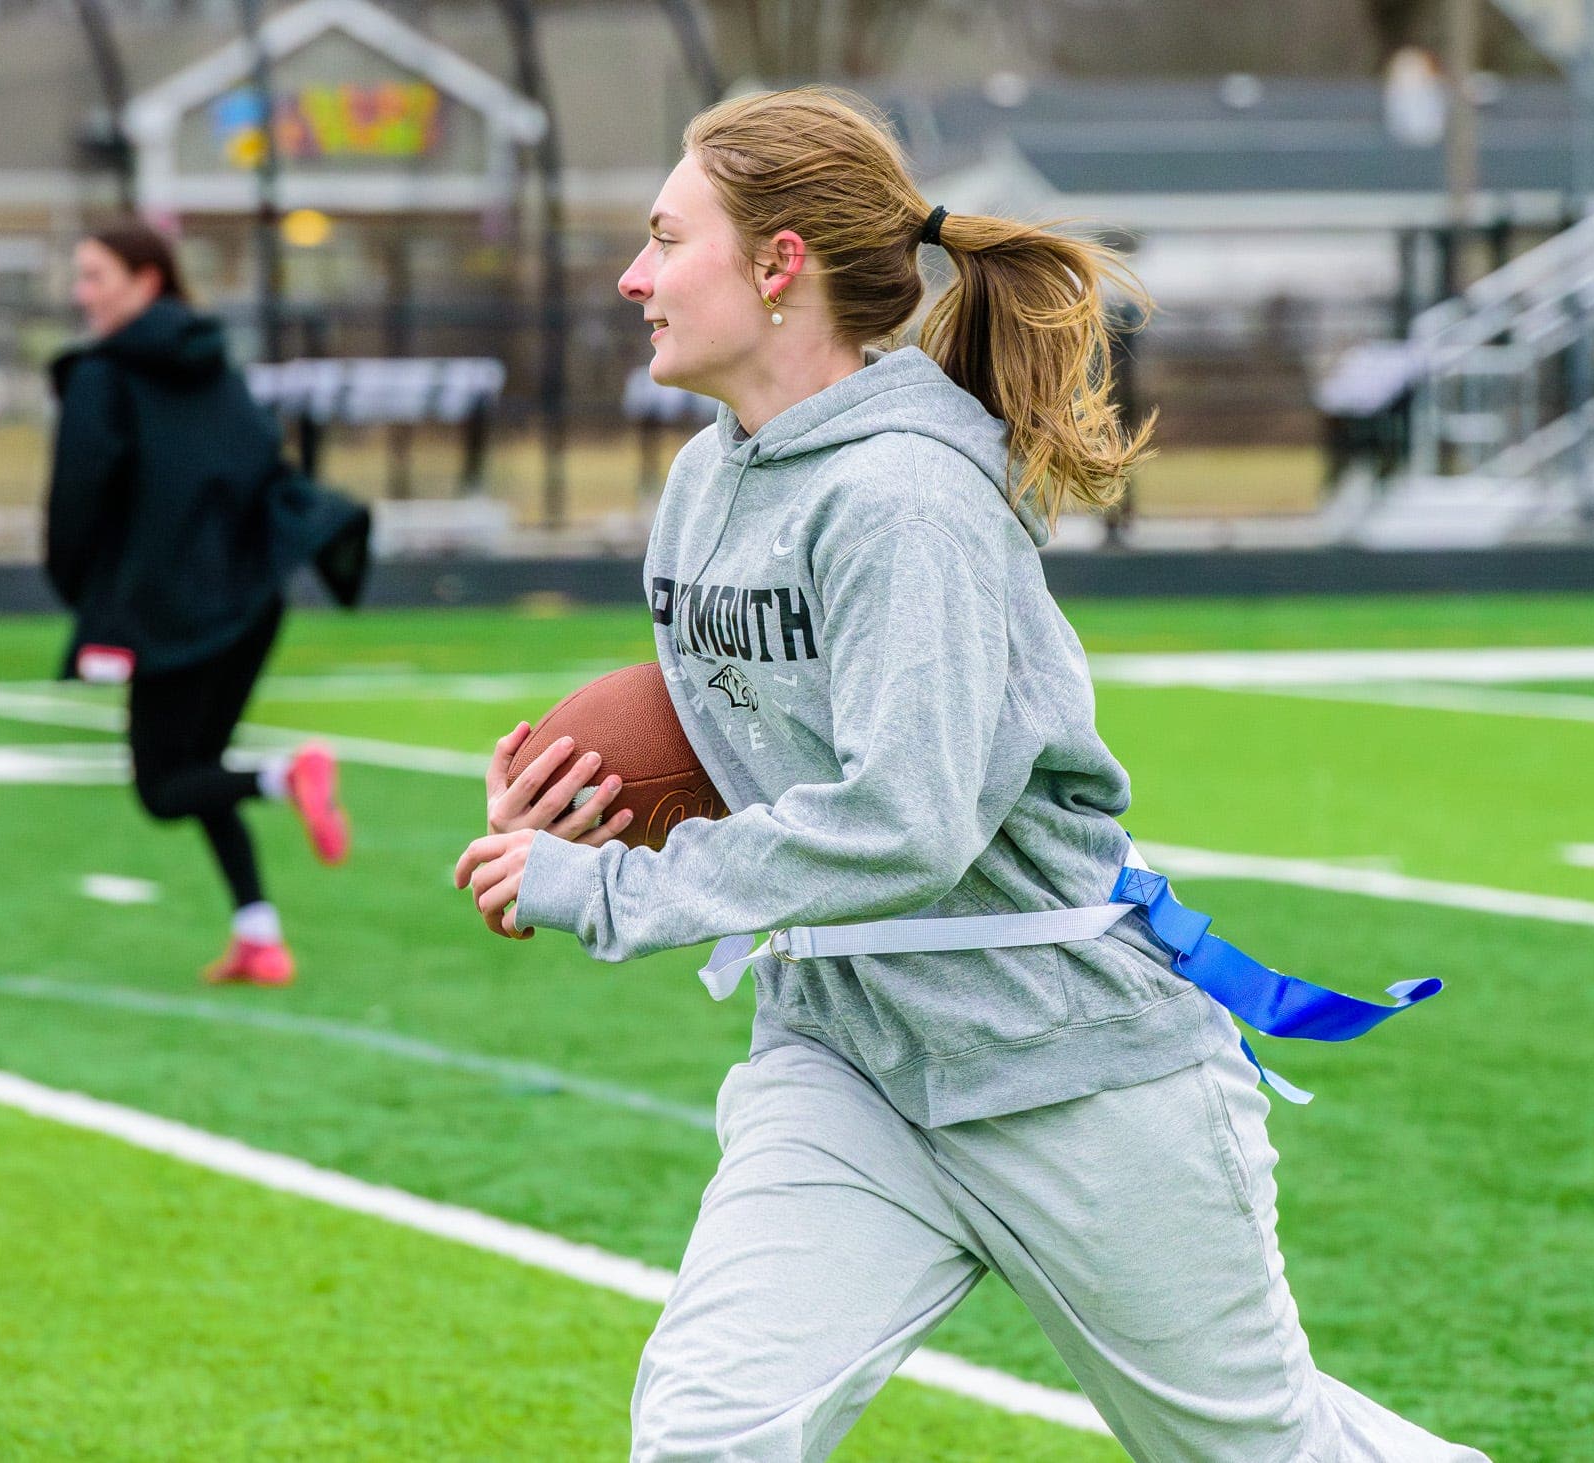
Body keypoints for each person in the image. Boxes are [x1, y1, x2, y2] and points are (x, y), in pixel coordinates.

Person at [453, 89, 1487, 1462]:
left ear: (778, 267)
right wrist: (569, 806)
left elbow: (906, 820)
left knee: (1259, 1447)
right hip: (848, 1053)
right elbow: (744, 735)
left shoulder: (905, 498)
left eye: (665, 238)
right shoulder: (708, 482)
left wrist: (614, 888)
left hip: (1067, 1065)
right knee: (709, 1430)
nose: (635, 278)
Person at [45, 221, 370, 987]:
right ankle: (259, 933)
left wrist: (84, 592)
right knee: (197, 766)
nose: (80, 293)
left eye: (95, 277)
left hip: (172, 608)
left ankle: (285, 774)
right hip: (253, 599)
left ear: (146, 281)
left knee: (163, 787)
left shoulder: (104, 376)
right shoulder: (214, 364)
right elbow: (262, 462)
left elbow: (76, 500)